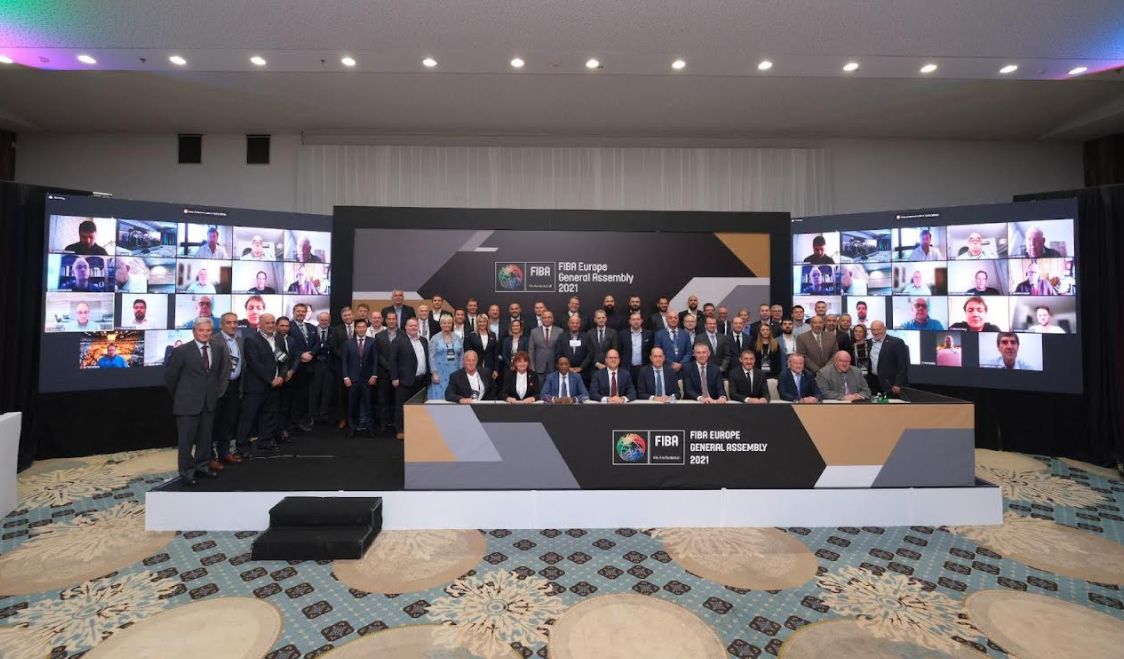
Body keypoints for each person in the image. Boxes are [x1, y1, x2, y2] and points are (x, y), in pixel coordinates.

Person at [164, 317, 229, 485]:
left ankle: (202, 466)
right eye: (201, 330)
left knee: (205, 440)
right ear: (194, 332)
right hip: (187, 404)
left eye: (208, 330)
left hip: (209, 403)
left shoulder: (218, 348)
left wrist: (215, 394)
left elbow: (219, 374)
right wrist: (182, 396)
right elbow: (171, 378)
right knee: (186, 442)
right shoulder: (182, 351)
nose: (205, 333)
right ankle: (186, 472)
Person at [235, 313, 286, 457]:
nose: (270, 325)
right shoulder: (251, 339)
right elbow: (254, 364)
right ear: (260, 324)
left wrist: (281, 376)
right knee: (248, 418)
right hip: (255, 387)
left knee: (269, 415)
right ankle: (242, 447)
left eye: (272, 322)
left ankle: (265, 442)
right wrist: (271, 379)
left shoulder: (278, 339)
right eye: (267, 323)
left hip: (275, 386)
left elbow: (284, 360)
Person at [211, 312, 244, 470]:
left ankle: (224, 452)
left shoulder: (240, 340)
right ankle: (210, 457)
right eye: (229, 322)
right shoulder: (213, 340)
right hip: (217, 389)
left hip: (234, 387)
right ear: (222, 325)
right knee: (212, 425)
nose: (233, 325)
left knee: (228, 422)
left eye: (235, 322)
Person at [389, 317, 431, 439]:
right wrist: (394, 377)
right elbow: (392, 360)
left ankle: (416, 429)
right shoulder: (398, 341)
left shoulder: (423, 340)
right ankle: (400, 430)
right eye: (410, 326)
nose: (413, 328)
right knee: (401, 406)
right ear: (406, 327)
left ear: (418, 327)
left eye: (415, 325)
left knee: (418, 407)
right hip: (404, 380)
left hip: (421, 380)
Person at [343, 318, 378, 436]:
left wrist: (374, 375)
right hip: (352, 379)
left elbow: (375, 360)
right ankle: (352, 427)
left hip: (367, 379)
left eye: (363, 327)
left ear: (366, 328)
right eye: (359, 327)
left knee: (368, 404)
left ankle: (370, 428)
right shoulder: (348, 343)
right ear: (355, 329)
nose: (361, 329)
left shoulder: (372, 341)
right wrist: (346, 377)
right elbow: (345, 362)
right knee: (352, 405)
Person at [287, 303, 319, 432]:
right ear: (294, 312)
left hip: (310, 366)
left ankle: (302, 419)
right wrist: (301, 354)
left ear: (306, 313)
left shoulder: (312, 327)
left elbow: (317, 343)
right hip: (295, 367)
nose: (300, 313)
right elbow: (288, 345)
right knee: (294, 396)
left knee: (305, 395)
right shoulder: (288, 327)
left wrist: (311, 353)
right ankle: (293, 422)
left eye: (303, 311)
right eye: (298, 311)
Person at [274, 316, 301, 440]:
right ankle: (274, 431)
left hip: (290, 378)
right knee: (275, 406)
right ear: (276, 326)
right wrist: (282, 374)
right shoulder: (272, 339)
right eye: (282, 325)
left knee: (286, 405)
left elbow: (296, 357)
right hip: (276, 378)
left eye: (287, 326)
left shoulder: (291, 340)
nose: (284, 328)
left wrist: (292, 371)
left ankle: (283, 429)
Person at [309, 310, 337, 426]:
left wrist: (323, 347)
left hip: (329, 365)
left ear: (329, 321)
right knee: (314, 392)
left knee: (327, 391)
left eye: (326, 320)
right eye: (322, 320)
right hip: (315, 365)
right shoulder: (311, 331)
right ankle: (313, 416)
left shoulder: (334, 331)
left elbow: (334, 347)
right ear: (318, 320)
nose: (324, 322)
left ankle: (324, 415)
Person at [330, 306, 356, 429]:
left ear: (353, 315)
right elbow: (333, 346)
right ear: (342, 317)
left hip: (358, 366)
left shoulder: (360, 327)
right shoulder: (336, 329)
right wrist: (345, 357)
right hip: (341, 366)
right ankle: (342, 418)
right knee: (341, 394)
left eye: (349, 314)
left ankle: (355, 418)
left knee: (356, 393)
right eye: (345, 315)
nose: (347, 317)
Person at [869, 321, 909, 397]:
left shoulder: (897, 342)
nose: (876, 332)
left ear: (885, 329)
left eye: (878, 329)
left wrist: (898, 384)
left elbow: (903, 365)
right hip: (874, 383)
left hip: (891, 384)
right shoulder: (869, 342)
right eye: (873, 330)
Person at [428, 315, 463, 400]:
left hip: (455, 371)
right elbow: (431, 357)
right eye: (444, 323)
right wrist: (434, 373)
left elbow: (461, 355)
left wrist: (461, 372)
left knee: (454, 394)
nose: (446, 325)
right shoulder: (435, 338)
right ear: (440, 324)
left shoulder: (457, 338)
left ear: (452, 324)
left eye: (449, 323)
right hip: (439, 372)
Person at [554, 314, 594, 386]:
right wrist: (568, 367)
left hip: (583, 372)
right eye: (572, 323)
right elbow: (558, 353)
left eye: (577, 323)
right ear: (568, 324)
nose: (575, 325)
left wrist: (581, 367)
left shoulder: (586, 336)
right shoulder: (562, 336)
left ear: (580, 324)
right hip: (565, 371)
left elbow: (590, 354)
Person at [464, 313, 499, 380]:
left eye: (484, 321)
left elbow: (495, 354)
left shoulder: (493, 335)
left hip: (490, 367)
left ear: (487, 323)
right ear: (477, 323)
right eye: (480, 322)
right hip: (475, 366)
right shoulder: (471, 336)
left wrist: (496, 370)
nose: (482, 324)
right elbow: (467, 354)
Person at [528, 310, 560, 376]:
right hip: (539, 366)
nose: (547, 319)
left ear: (553, 319)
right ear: (541, 319)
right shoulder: (534, 332)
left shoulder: (560, 331)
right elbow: (531, 350)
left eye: (549, 317)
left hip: (554, 366)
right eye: (544, 318)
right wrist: (532, 366)